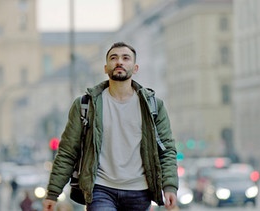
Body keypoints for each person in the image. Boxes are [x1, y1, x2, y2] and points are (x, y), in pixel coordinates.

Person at [43, 42, 178, 211]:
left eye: (125, 58)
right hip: (100, 189)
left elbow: (166, 150)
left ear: (135, 68)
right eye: (114, 58)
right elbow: (68, 151)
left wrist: (170, 186)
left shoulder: (153, 107)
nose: (119, 62)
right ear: (106, 68)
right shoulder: (86, 105)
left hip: (139, 191)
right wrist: (53, 192)